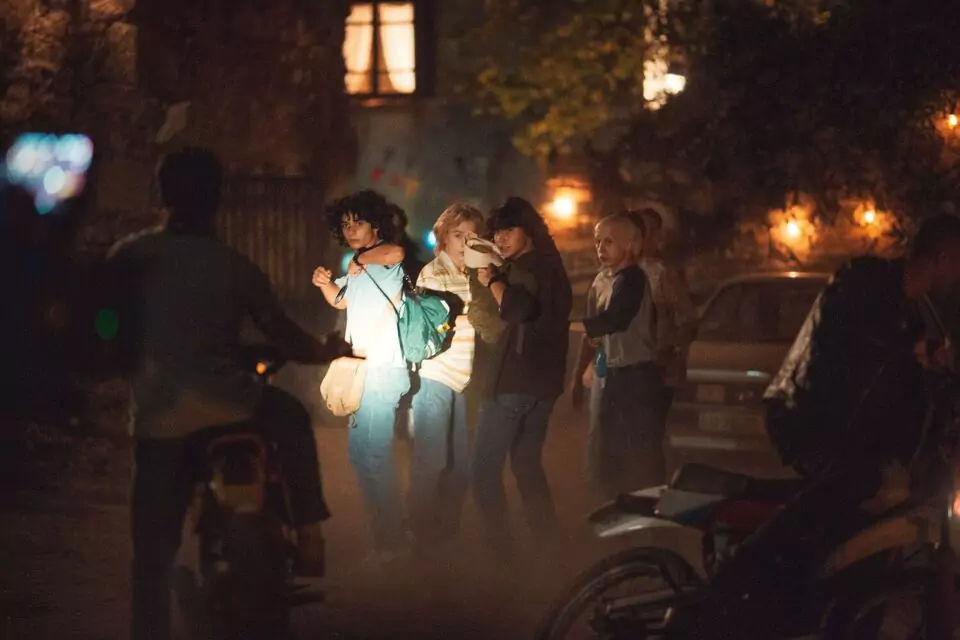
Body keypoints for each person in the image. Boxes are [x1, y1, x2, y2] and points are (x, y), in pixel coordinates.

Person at [687, 213, 960, 638]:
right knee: (839, 501)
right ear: (944, 257)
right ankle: (726, 594)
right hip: (809, 417)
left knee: (875, 520)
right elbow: (846, 347)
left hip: (855, 433)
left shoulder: (913, 311)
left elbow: (909, 381)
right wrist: (911, 350)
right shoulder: (864, 279)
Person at [108, 148, 343, 640]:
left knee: (151, 558)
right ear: (217, 199)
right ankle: (308, 529)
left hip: (159, 422)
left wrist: (119, 352)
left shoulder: (130, 258)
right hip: (234, 410)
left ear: (162, 194)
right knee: (292, 415)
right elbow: (282, 333)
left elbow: (104, 325)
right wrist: (324, 351)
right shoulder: (234, 266)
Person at [311, 189, 411, 565]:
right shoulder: (359, 266)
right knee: (361, 454)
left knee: (375, 454)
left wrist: (359, 260)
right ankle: (387, 533)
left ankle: (392, 541)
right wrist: (325, 283)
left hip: (382, 370)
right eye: (345, 224)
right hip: (363, 372)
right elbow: (340, 299)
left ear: (376, 225)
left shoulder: (383, 259)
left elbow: (396, 253)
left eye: (358, 222)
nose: (351, 230)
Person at [470, 197, 573, 556]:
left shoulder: (527, 269)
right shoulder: (552, 266)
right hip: (543, 386)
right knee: (527, 465)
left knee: (483, 470)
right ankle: (548, 547)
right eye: (496, 233)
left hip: (516, 382)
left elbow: (518, 309)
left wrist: (493, 281)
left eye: (508, 230)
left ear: (528, 231)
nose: (499, 239)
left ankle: (502, 554)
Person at [409, 203, 486, 552]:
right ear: (443, 238)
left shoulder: (476, 273)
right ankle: (422, 537)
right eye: (458, 235)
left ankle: (446, 534)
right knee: (432, 461)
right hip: (436, 377)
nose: (465, 243)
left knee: (460, 466)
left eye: (472, 236)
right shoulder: (433, 274)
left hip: (464, 380)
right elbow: (438, 320)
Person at [578, 213, 661, 495]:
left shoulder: (633, 279)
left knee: (634, 451)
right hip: (612, 373)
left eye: (609, 242)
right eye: (598, 242)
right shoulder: (604, 280)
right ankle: (611, 502)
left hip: (634, 375)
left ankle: (640, 507)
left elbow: (615, 319)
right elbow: (596, 331)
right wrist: (587, 364)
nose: (601, 248)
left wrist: (565, 325)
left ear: (631, 244)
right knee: (606, 446)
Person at [633, 208, 697, 427]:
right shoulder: (618, 270)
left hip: (654, 368)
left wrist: (673, 353)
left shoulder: (663, 273)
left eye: (651, 231)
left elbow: (687, 318)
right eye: (641, 230)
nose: (646, 237)